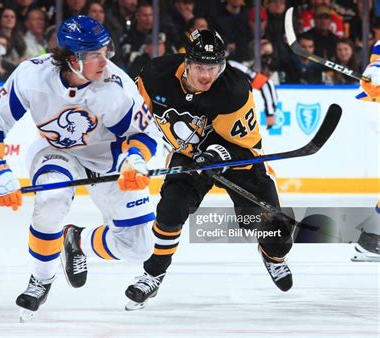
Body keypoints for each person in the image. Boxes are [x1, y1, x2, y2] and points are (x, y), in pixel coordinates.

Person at [0, 15, 161, 321]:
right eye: (95, 55)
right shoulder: (31, 76)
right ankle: (41, 278)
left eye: (106, 51)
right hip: (56, 151)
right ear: (72, 59)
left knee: (138, 248)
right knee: (50, 202)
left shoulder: (116, 87)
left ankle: (77, 241)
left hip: (107, 157)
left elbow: (144, 134)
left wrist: (135, 159)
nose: (105, 61)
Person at [125, 29, 294, 311]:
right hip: (189, 155)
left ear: (222, 65)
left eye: (213, 67)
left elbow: (248, 148)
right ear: (187, 63)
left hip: (237, 159)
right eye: (201, 67)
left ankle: (273, 257)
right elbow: (127, 112)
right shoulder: (155, 74)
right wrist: (127, 154)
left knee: (277, 235)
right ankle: (153, 274)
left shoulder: (234, 90)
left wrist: (216, 154)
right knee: (170, 209)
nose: (206, 75)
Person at [352, 40, 380, 262]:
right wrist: (375, 72)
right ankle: (372, 239)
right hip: (375, 105)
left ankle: (372, 238)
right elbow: (373, 71)